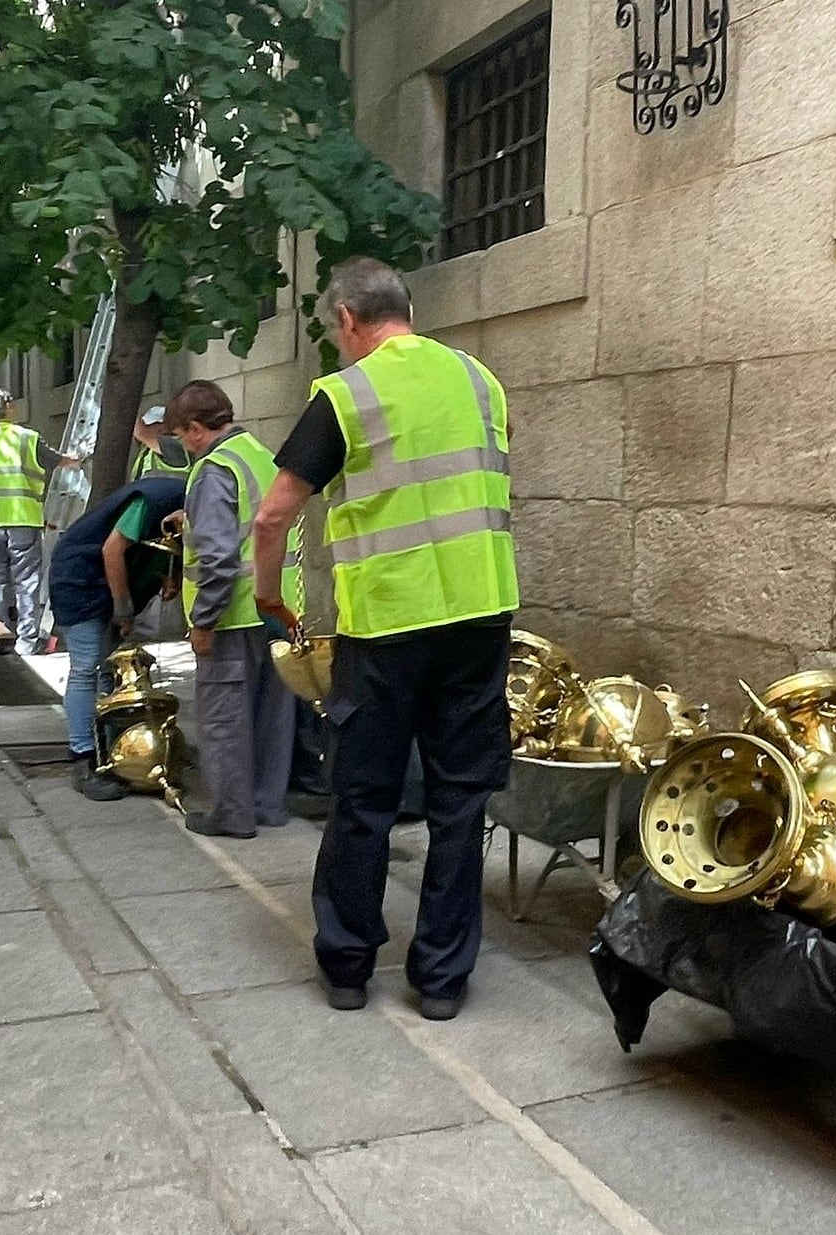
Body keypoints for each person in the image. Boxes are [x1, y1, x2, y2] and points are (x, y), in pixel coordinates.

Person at [249, 257, 516, 1022]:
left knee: (364, 798)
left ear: (346, 320)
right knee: (461, 802)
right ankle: (440, 980)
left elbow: (273, 515)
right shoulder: (479, 382)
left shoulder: (347, 395)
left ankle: (349, 966)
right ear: (405, 308)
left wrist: (270, 593)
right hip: (478, 617)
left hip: (387, 628)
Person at [162, 380, 303, 841]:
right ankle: (267, 806)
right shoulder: (261, 456)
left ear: (197, 429)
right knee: (272, 717)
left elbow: (221, 559)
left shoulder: (213, 469)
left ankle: (232, 816)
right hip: (277, 611)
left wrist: (203, 621)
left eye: (182, 436)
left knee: (225, 720)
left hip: (233, 615)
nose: (183, 445)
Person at [47, 472, 187, 801]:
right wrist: (123, 610)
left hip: (105, 580)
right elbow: (113, 551)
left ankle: (112, 754)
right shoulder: (155, 500)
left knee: (107, 668)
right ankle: (82, 758)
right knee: (88, 666)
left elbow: (164, 545)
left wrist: (170, 575)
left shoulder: (187, 500)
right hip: (79, 579)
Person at [0, 387, 80, 656]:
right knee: (26, 582)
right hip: (23, 519)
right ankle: (27, 641)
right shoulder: (27, 438)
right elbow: (61, 461)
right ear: (10, 407)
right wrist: (78, 459)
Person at [131, 404, 193, 479]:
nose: (148, 429)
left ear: (162, 426)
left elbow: (140, 433)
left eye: (149, 426)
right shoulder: (147, 450)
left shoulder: (177, 446)